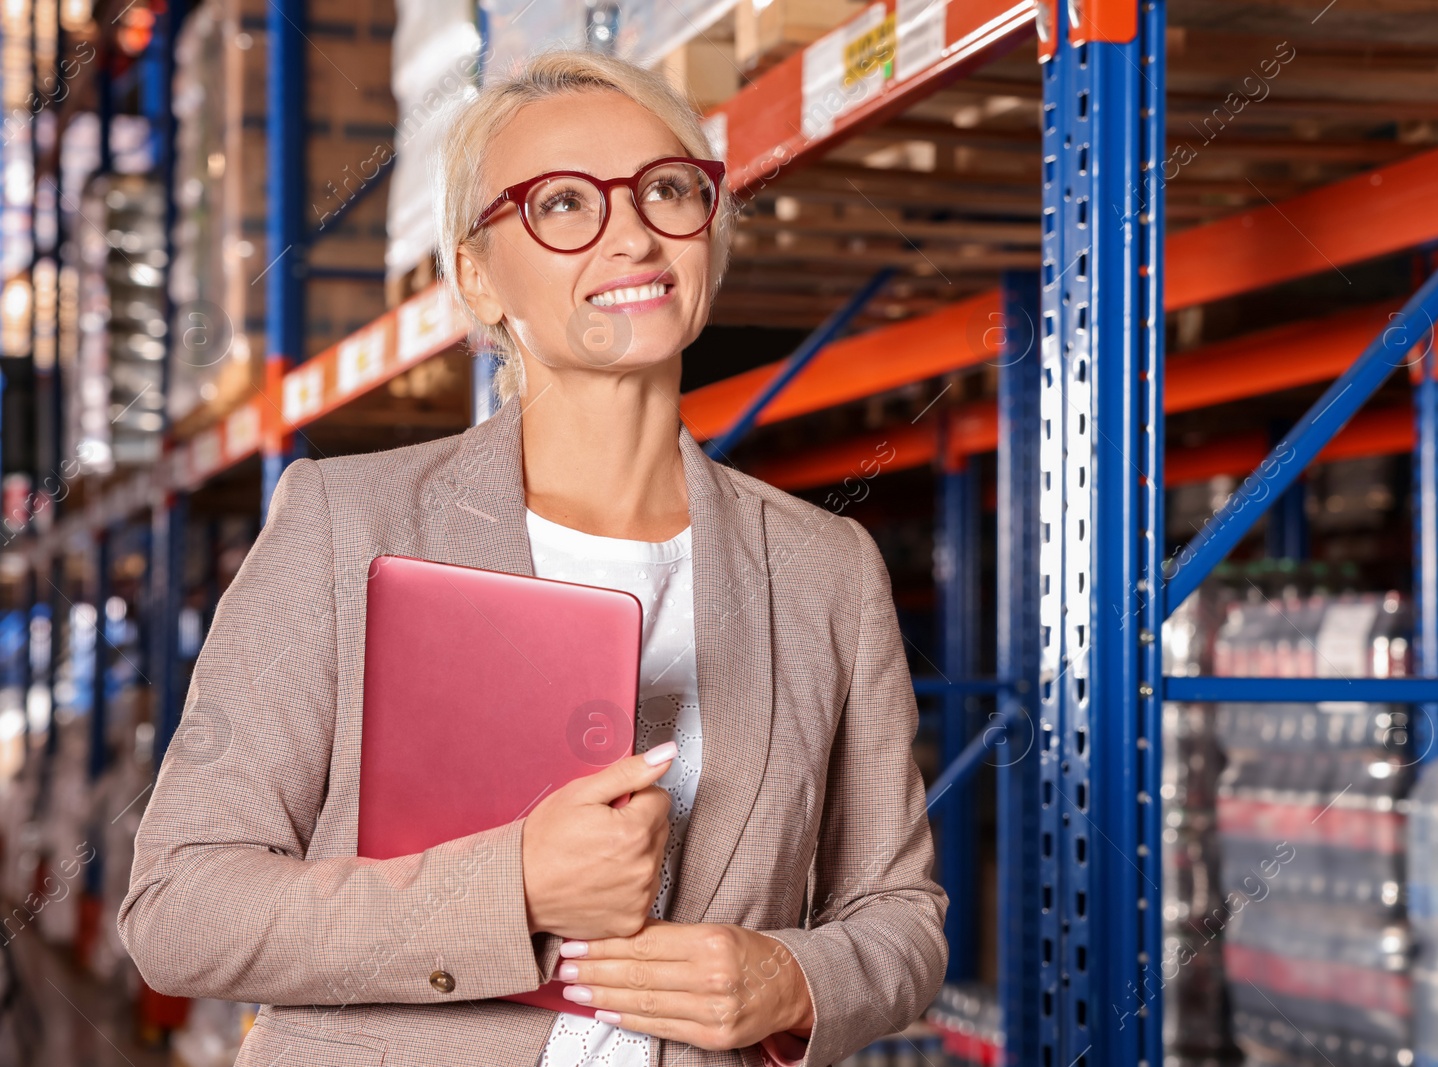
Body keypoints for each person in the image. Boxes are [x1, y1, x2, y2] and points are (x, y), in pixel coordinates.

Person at [119, 47, 948, 1067]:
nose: (633, 232)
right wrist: (509, 885)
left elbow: (898, 917)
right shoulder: (348, 522)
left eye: (669, 189)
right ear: (476, 273)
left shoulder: (827, 570)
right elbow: (179, 908)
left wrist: (793, 980)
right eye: (561, 205)